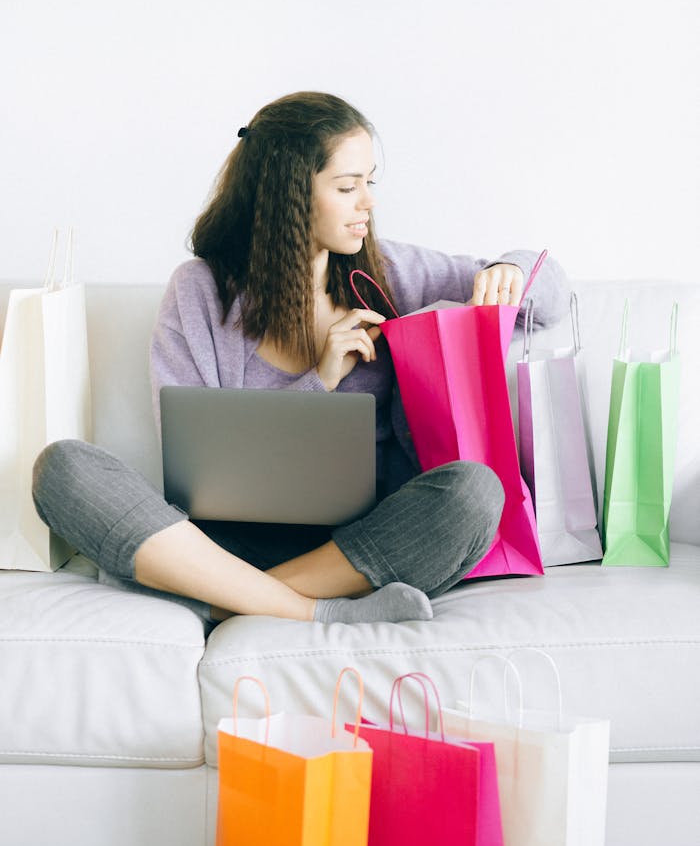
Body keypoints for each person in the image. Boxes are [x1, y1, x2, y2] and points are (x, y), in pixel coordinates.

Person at [32, 92, 569, 627]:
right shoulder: (200, 292)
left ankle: (218, 600)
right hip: (225, 539)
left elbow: (550, 300)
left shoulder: (387, 271)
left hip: (358, 545)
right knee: (63, 468)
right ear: (290, 194)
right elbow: (194, 464)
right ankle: (311, 611)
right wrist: (321, 381)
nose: (368, 202)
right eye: (347, 186)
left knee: (475, 493)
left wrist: (512, 270)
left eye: (369, 182)